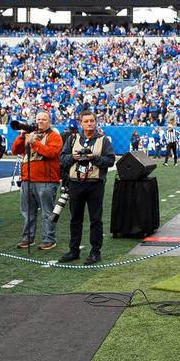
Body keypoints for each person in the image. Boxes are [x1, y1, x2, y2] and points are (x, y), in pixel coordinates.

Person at [58, 110, 115, 266]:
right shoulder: (72, 139)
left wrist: (93, 158)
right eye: (86, 121)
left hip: (95, 184)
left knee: (95, 219)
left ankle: (95, 252)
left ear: (96, 122)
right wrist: (73, 157)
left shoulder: (103, 140)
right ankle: (73, 250)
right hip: (75, 184)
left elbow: (110, 161)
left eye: (92, 121)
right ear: (80, 123)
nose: (89, 123)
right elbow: (62, 160)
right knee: (75, 219)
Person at [11, 110, 63, 250]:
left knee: (47, 212)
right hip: (27, 179)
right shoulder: (31, 134)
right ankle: (28, 239)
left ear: (50, 122)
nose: (40, 122)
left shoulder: (54, 136)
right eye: (38, 119)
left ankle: (49, 240)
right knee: (28, 212)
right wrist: (22, 137)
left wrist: (34, 143)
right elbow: (15, 150)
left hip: (46, 180)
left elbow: (52, 153)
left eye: (44, 119)